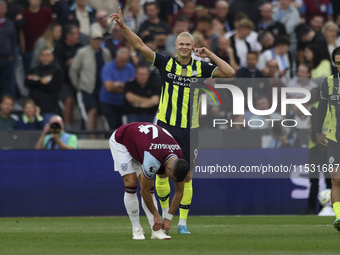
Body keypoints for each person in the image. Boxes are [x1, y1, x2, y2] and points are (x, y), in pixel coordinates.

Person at [111, 7, 235, 235]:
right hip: (166, 128)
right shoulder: (165, 63)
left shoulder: (202, 67)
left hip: (192, 129)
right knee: (160, 173)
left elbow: (229, 73)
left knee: (186, 175)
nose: (185, 47)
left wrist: (209, 53)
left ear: (192, 46)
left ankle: (183, 223)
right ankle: (166, 214)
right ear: (175, 46)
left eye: (189, 44)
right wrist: (124, 26)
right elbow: (139, 46)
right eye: (181, 44)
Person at [110, 122, 189, 239]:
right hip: (122, 140)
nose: (170, 180)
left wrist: (168, 218)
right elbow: (144, 192)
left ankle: (155, 231)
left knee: (149, 187)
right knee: (132, 184)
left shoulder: (179, 160)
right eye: (171, 177)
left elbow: (179, 192)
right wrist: (157, 215)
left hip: (142, 144)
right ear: (169, 168)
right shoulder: (154, 159)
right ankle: (137, 229)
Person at [316, 46, 340, 231]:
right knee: (336, 180)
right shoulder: (329, 82)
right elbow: (322, 108)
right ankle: (339, 217)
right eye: (337, 63)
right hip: (334, 138)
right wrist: (318, 130)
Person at [69, 30, 111, 135]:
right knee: (92, 111)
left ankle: (102, 137)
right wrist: (78, 85)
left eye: (99, 39)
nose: (97, 42)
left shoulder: (105, 53)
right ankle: (92, 136)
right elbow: (73, 70)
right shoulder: (82, 52)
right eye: (95, 39)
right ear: (90, 40)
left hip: (103, 88)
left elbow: (109, 68)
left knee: (103, 114)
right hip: (88, 88)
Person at [100, 47, 135, 130]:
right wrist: (124, 86)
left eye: (125, 61)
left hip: (123, 102)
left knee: (123, 127)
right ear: (116, 57)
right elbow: (108, 87)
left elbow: (132, 87)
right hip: (108, 101)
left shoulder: (130, 67)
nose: (123, 63)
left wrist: (116, 84)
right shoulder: (107, 67)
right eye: (121, 60)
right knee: (112, 126)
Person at [25, 48, 63, 124]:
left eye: (48, 55)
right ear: (39, 57)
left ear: (52, 57)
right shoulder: (34, 70)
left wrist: (36, 81)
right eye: (43, 55)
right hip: (33, 110)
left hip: (49, 110)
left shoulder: (57, 71)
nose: (45, 58)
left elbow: (52, 86)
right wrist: (42, 81)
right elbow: (27, 83)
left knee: (49, 133)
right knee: (29, 133)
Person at [0, 0, 16, 99]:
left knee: (7, 82)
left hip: (6, 58)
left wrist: (11, 55)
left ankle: (6, 104)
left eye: (3, 8)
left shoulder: (10, 24)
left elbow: (14, 41)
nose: (2, 10)